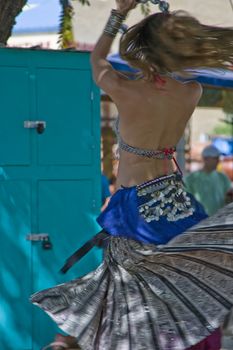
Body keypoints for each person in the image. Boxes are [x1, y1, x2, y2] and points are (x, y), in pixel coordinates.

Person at [31, 1, 233, 349]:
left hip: (136, 206)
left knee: (127, 293)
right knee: (174, 286)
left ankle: (76, 342)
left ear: (143, 51)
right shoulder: (190, 92)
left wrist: (118, 15)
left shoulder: (126, 90)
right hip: (177, 203)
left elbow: (97, 61)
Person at [185, 144, 232, 216]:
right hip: (198, 221)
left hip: (218, 221)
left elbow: (228, 197)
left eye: (218, 158)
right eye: (215, 158)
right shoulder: (191, 179)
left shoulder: (223, 177)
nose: (218, 161)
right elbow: (186, 201)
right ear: (205, 159)